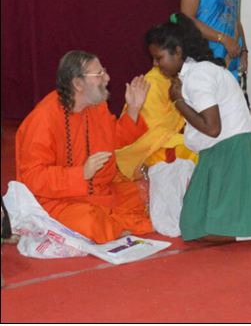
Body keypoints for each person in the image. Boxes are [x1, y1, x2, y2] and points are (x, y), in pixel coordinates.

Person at [146, 13, 251, 255]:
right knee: (194, 224)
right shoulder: (199, 71)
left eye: (159, 58)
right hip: (230, 147)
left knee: (196, 228)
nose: (157, 65)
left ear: (178, 52)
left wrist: (178, 101)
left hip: (229, 148)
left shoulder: (197, 76)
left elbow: (213, 127)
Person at [15, 51, 153, 244]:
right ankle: (109, 227)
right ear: (78, 84)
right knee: (88, 222)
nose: (107, 78)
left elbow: (113, 137)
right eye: (99, 75)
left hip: (96, 191)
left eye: (103, 71)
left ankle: (110, 225)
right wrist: (82, 174)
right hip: (55, 200)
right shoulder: (44, 119)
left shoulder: (96, 105)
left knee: (144, 195)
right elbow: (32, 177)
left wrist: (133, 109)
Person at [115, 66, 198, 181]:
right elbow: (153, 135)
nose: (106, 77)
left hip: (172, 141)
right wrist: (179, 101)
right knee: (199, 150)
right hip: (150, 151)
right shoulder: (153, 82)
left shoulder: (189, 73)